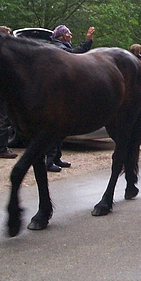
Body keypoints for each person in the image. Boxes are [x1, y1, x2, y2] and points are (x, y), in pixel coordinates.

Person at [45, 24, 95, 172]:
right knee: (55, 128)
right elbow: (74, 54)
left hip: (60, 94)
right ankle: (49, 161)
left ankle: (56, 158)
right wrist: (88, 40)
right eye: (68, 33)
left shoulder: (59, 45)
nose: (71, 35)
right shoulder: (59, 48)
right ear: (63, 36)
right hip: (56, 95)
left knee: (60, 129)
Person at [0, 26, 18, 159]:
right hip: (2, 88)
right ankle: (2, 149)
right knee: (4, 118)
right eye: (9, 34)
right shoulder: (2, 52)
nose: (11, 36)